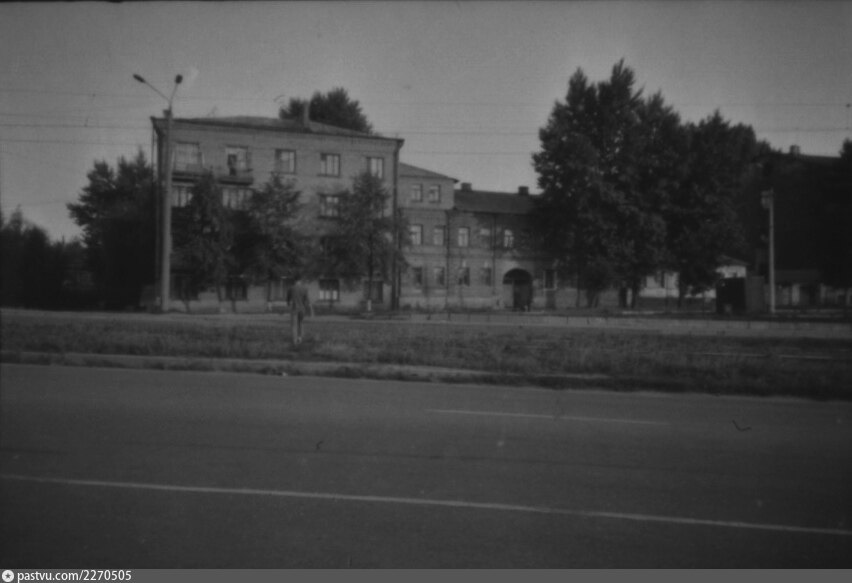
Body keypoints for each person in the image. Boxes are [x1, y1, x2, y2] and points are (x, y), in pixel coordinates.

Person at [286, 275, 314, 346]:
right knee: (300, 323)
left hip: (294, 308)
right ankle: (300, 338)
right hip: (302, 309)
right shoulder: (304, 288)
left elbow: (288, 299)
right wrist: (311, 311)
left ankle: (295, 341)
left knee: (294, 325)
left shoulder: (291, 288)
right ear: (300, 280)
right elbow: (307, 300)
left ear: (294, 280)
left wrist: (288, 304)